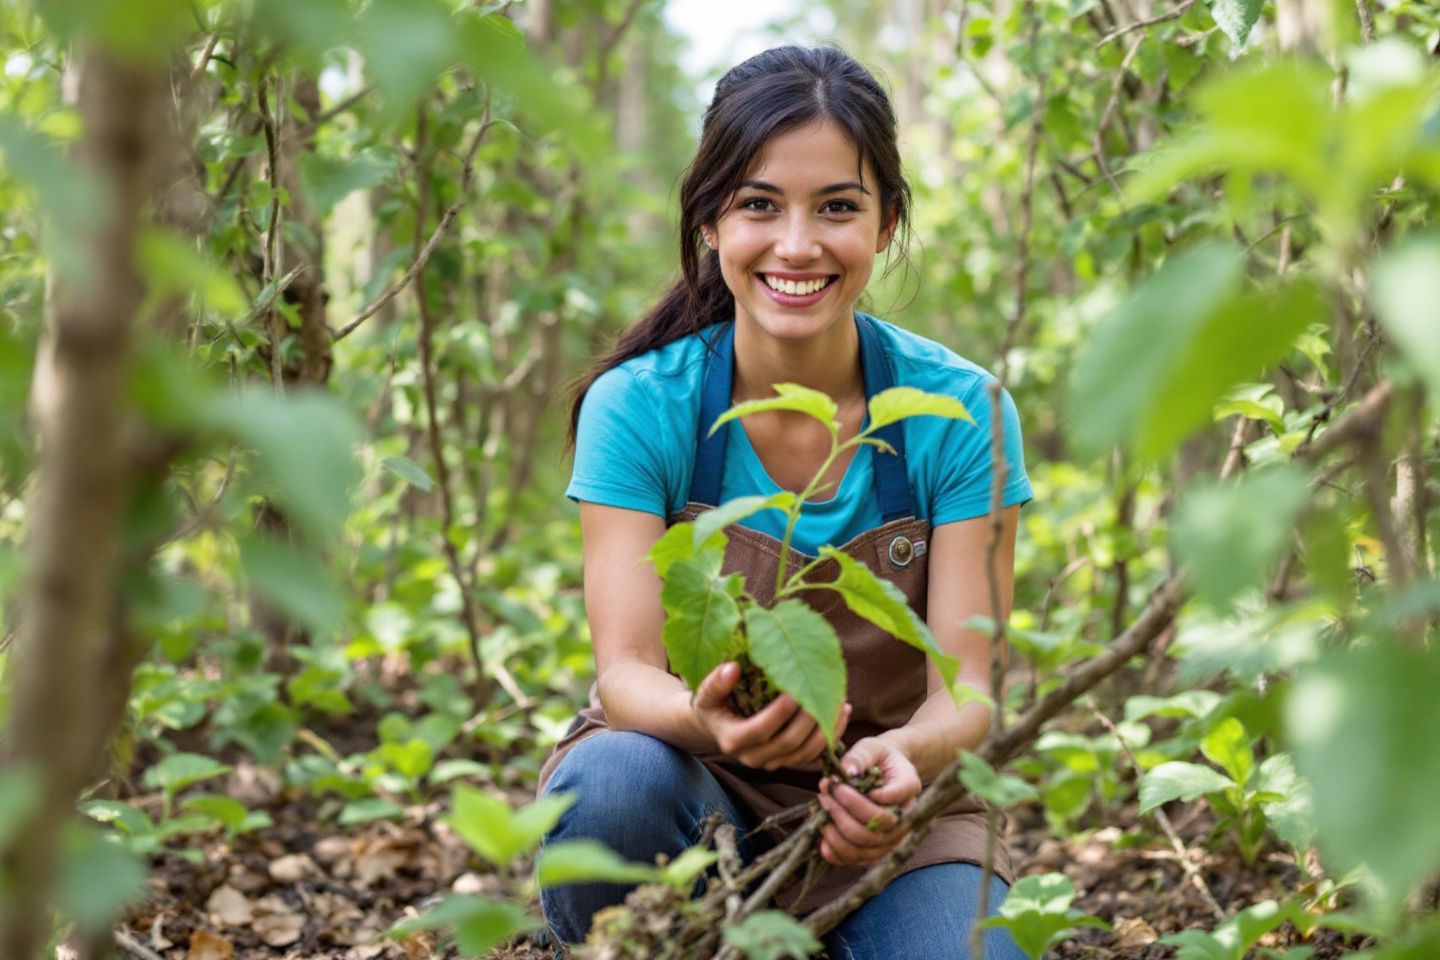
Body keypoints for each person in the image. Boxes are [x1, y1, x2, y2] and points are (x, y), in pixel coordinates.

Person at [536, 44, 1032, 959]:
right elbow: (629, 670)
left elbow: (970, 690)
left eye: (837, 207)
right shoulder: (643, 404)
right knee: (609, 785)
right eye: (759, 204)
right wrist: (710, 721)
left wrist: (904, 768)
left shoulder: (963, 411)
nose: (796, 245)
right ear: (711, 222)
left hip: (898, 813)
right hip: (692, 782)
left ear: (886, 224)